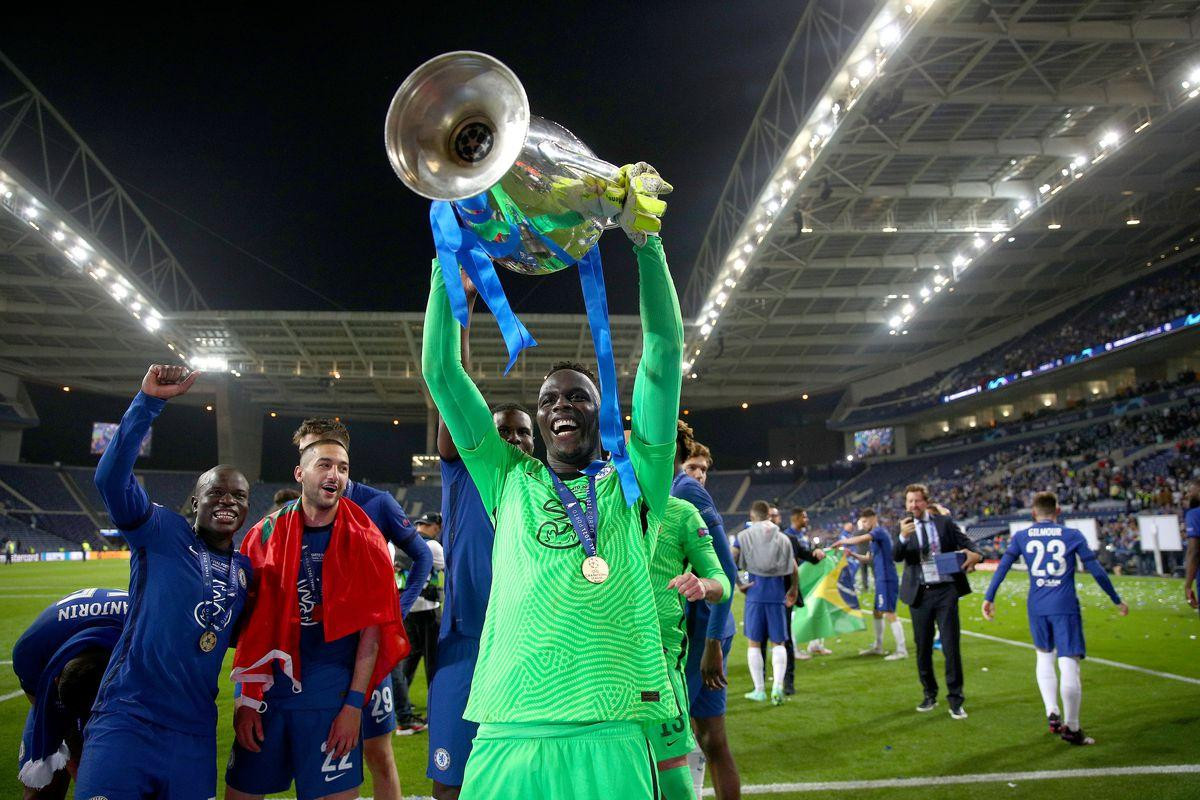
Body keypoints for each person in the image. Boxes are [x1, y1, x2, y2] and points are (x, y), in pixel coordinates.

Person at [422, 161, 682, 799]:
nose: (561, 405)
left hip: (613, 723)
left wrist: (647, 245)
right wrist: (446, 267)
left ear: (603, 411)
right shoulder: (508, 481)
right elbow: (442, 373)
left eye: (578, 397)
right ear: (537, 422)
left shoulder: (634, 480)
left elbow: (663, 350)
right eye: (548, 400)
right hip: (507, 723)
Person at [75, 365, 253, 800]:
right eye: (216, 492)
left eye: (239, 496)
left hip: (193, 736)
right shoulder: (160, 530)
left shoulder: (245, 571)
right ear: (196, 502)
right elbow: (110, 479)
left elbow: (241, 637)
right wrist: (147, 402)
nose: (228, 500)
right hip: (127, 719)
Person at [226, 436, 406, 800]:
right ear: (300, 473)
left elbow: (371, 632)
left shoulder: (368, 539)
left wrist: (353, 707)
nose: (335, 474)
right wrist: (246, 700)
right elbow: (250, 627)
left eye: (342, 468)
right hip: (270, 696)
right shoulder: (264, 534)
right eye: (324, 464)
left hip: (330, 696)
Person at [425, 270, 537, 799]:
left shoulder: (544, 490)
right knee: (450, 783)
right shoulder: (464, 468)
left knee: (517, 780)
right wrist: (460, 307)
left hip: (524, 648)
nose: (512, 437)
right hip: (463, 646)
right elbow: (454, 382)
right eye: (502, 429)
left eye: (523, 432)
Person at [292, 419, 432, 797]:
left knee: (377, 752)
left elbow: (420, 556)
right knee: (327, 753)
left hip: (367, 648)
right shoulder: (296, 512)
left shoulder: (376, 503)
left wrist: (397, 610)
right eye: (308, 455)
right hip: (320, 655)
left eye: (325, 455)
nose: (317, 463)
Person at [982, 492, 1128, 745]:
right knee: (1068, 662)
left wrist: (989, 597)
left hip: (1037, 606)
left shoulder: (1022, 536)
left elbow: (1002, 567)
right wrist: (1116, 599)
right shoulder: (1071, 535)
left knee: (1043, 657)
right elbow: (1096, 570)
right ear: (1058, 511)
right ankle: (1072, 726)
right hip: (1064, 605)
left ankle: (1052, 711)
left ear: (1034, 513)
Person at [643, 494, 730, 800]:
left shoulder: (681, 513)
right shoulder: (590, 502)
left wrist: (704, 585)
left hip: (658, 660)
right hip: (600, 657)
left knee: (670, 763)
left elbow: (722, 578)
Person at [670, 424, 741, 800]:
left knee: (671, 742)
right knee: (711, 739)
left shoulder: (686, 490)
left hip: (699, 634)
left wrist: (712, 642)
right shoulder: (669, 488)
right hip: (699, 631)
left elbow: (724, 570)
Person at [13, 588, 128, 799]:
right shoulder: (29, 654)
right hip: (55, 683)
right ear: (56, 680)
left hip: (124, 683)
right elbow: (41, 707)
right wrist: (72, 749)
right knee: (40, 789)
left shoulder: (147, 638)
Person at [894, 484, 981, 720]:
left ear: (926, 502)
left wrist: (975, 555)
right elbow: (896, 556)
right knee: (922, 648)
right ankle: (929, 694)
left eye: (917, 501)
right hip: (919, 594)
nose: (913, 505)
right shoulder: (904, 528)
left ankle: (956, 699)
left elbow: (969, 543)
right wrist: (902, 537)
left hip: (945, 591)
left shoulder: (943, 523)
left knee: (951, 646)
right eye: (910, 501)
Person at [733, 500, 798, 706]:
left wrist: (738, 583)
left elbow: (730, 559)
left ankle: (760, 690)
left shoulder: (744, 536)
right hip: (777, 593)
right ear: (769, 515)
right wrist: (793, 590)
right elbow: (794, 567)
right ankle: (778, 687)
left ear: (752, 517)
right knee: (778, 642)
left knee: (754, 643)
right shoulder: (783, 537)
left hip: (755, 591)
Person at [830, 508, 906, 660]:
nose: (863, 524)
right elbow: (868, 558)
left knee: (889, 612)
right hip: (880, 578)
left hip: (887, 578)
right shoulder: (875, 538)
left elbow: (860, 539)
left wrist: (842, 541)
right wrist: (852, 554)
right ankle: (878, 646)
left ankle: (902, 650)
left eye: (865, 521)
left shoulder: (878, 532)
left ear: (873, 519)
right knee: (877, 612)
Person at [400, 512, 444, 692]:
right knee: (432, 658)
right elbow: (447, 567)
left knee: (409, 658)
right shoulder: (432, 545)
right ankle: (435, 703)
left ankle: (400, 704)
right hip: (427, 608)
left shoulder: (400, 544)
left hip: (407, 607)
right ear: (434, 526)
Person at [780, 508, 826, 675]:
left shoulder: (800, 536)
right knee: (790, 619)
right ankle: (792, 648)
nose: (807, 519)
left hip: (801, 582)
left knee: (811, 611)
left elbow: (807, 555)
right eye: (804, 516)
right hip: (789, 585)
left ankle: (813, 644)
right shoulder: (787, 536)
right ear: (796, 518)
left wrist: (816, 554)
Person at [1185, 482, 1200, 613]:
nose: (1188, 495)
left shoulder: (1194, 514)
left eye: (1191, 491)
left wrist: (1188, 585)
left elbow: (1194, 551)